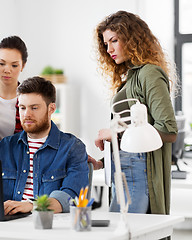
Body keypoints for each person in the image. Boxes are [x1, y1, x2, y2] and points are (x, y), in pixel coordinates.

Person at [91, 11, 177, 214]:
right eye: (105, 44)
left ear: (131, 38)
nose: (109, 49)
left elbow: (169, 130)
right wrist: (101, 163)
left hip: (138, 173)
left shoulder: (150, 73)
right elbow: (130, 140)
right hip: (124, 170)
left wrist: (116, 134)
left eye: (114, 40)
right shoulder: (131, 78)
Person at [0, 76, 89, 215]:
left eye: (34, 108)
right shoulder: (5, 147)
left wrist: (33, 206)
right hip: (6, 224)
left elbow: (71, 196)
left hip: (46, 224)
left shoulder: (72, 147)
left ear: (51, 108)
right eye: (22, 108)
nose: (27, 114)